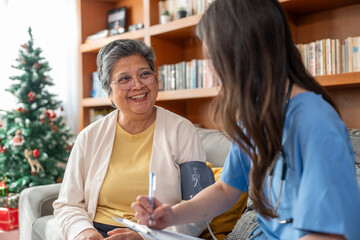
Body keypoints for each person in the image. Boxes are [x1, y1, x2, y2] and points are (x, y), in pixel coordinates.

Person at [131, 0, 360, 239]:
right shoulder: (255, 116)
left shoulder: (315, 123)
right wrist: (172, 215)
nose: (214, 72)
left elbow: (328, 235)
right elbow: (225, 189)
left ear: (243, 53)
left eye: (216, 59)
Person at [53, 39, 208, 240]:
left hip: (156, 234)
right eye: (125, 79)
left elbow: (199, 206)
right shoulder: (89, 137)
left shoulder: (182, 131)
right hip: (95, 231)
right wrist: (84, 233)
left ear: (155, 79)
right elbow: (67, 203)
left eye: (145, 74)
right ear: (108, 91)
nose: (137, 85)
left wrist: (146, 237)